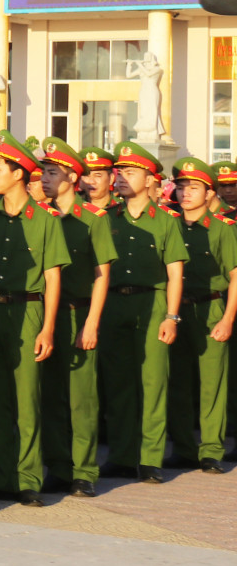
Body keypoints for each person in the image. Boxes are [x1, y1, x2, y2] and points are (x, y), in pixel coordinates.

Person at [0, 133, 69, 507]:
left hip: (27, 311)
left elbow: (52, 277)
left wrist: (46, 327)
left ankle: (28, 478)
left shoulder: (45, 220)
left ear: (17, 173)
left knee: (27, 400)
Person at [98, 140, 186, 483]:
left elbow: (175, 272)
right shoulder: (106, 219)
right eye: (119, 172)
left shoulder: (165, 221)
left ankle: (150, 458)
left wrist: (171, 316)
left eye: (130, 172)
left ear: (150, 179)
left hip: (153, 303)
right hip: (114, 304)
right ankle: (121, 456)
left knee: (153, 382)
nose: (120, 178)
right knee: (118, 383)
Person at [38, 138, 117, 496]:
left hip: (80, 311)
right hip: (48, 316)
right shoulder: (41, 216)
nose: (44, 179)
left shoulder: (93, 219)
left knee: (81, 398)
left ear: (73, 177)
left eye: (53, 173)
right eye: (42, 172)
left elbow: (102, 274)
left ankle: (84, 470)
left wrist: (91, 323)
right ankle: (57, 466)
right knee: (51, 395)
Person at [167, 157, 234, 473]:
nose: (185, 194)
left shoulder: (222, 229)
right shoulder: (169, 225)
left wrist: (227, 319)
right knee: (178, 381)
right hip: (177, 311)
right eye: (181, 187)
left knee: (212, 384)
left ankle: (211, 450)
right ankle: (182, 447)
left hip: (211, 308)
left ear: (209, 193)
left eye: (193, 187)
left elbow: (235, 277)